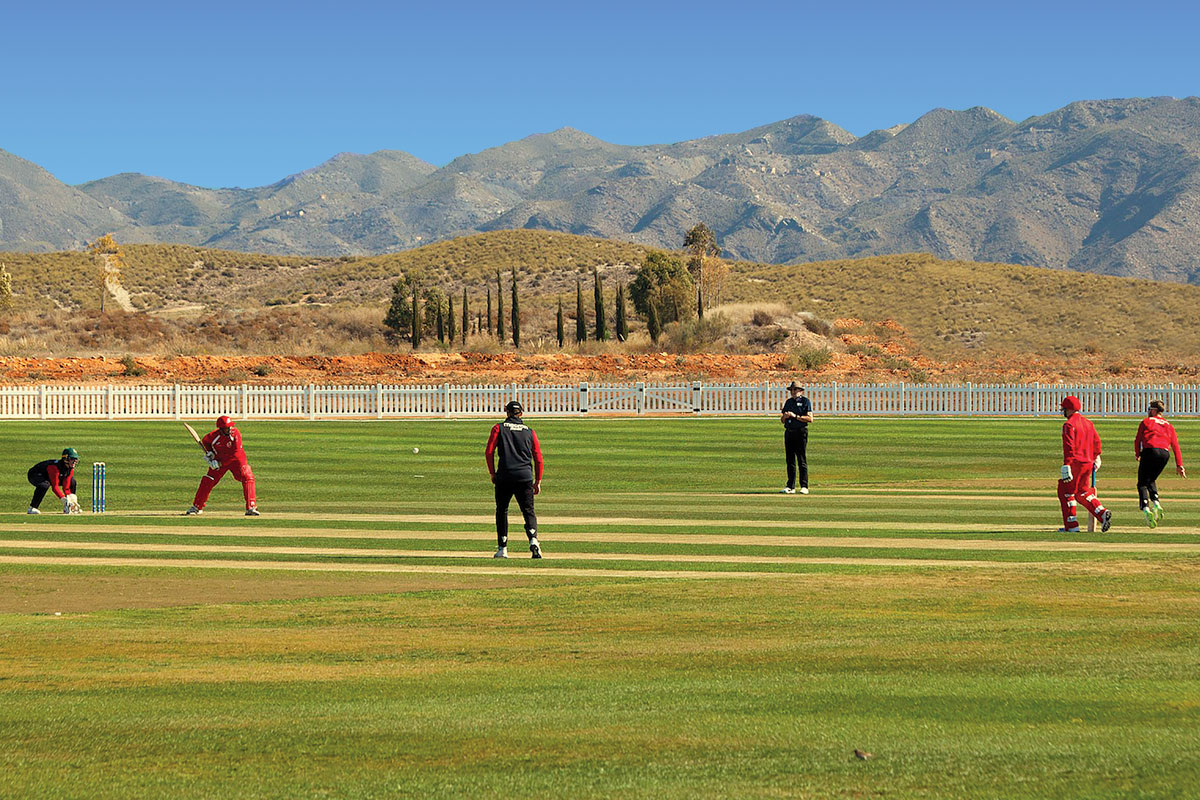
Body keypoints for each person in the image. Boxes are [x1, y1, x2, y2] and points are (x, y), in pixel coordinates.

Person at [485, 400, 543, 558]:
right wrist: (538, 481)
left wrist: (492, 473)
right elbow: (538, 457)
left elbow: (489, 452)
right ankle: (533, 540)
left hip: (504, 475)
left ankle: (502, 548)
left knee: (502, 510)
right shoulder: (529, 431)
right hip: (524, 476)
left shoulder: (498, 428)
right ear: (521, 414)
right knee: (528, 511)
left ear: (507, 412)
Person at [185, 416, 259, 516]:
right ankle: (197, 507)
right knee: (208, 480)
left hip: (236, 461)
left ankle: (251, 507)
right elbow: (205, 442)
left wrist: (220, 463)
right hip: (220, 459)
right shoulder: (214, 436)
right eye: (227, 428)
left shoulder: (236, 434)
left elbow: (236, 454)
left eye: (230, 427)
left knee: (247, 476)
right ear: (221, 429)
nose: (229, 429)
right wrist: (211, 453)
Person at [1058, 395, 1111, 533]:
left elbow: (1069, 447)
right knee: (1082, 492)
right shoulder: (1088, 423)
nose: (1063, 412)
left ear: (1069, 409)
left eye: (1064, 409)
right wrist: (1096, 457)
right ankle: (1102, 512)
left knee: (1066, 491)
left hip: (1075, 463)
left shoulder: (1069, 425)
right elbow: (1097, 443)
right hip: (1088, 462)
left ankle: (1072, 525)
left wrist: (1067, 464)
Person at [1134, 399, 1186, 528]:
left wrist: (1137, 454)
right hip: (1164, 454)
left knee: (1142, 483)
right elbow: (1175, 445)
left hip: (1150, 450)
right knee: (1151, 479)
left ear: (1154, 410)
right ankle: (1156, 503)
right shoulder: (1169, 425)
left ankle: (1146, 508)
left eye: (1150, 409)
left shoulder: (1146, 422)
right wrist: (1179, 465)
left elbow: (1138, 439)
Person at [779, 381, 813, 494]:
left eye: (795, 390)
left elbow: (810, 419)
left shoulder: (805, 401)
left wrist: (796, 416)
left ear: (800, 391)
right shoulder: (789, 402)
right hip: (789, 432)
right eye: (792, 390)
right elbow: (782, 420)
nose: (793, 392)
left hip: (800, 432)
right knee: (790, 460)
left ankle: (804, 485)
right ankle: (790, 486)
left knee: (801, 459)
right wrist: (785, 416)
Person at [27, 448, 82, 514]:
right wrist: (63, 499)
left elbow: (66, 488)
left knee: (72, 482)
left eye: (75, 459)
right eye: (72, 459)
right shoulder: (54, 467)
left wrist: (70, 499)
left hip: (48, 476)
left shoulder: (70, 469)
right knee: (44, 485)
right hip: (34, 474)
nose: (74, 461)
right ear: (66, 459)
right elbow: (55, 487)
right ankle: (32, 508)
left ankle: (70, 507)